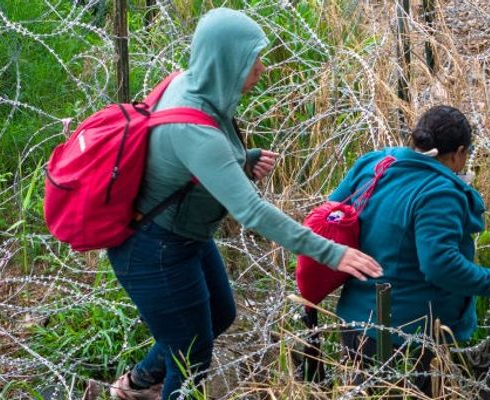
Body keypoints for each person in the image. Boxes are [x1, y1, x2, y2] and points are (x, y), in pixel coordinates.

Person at [105, 8, 382, 400]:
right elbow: (250, 210)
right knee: (192, 353)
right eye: (254, 58)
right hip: (155, 249)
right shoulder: (195, 130)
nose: (263, 68)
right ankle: (156, 388)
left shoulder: (191, 84)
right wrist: (330, 252)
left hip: (182, 236)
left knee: (220, 315)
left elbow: (193, 162)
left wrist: (241, 161)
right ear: (227, 62)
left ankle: (137, 384)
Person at [330, 105, 490, 396]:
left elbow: (330, 216)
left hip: (355, 323)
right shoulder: (439, 192)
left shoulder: (375, 164)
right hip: (408, 338)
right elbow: (440, 265)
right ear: (458, 153)